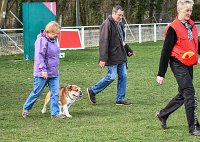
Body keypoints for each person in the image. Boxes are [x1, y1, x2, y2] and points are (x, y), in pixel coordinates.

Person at [156, 0, 200, 136]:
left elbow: (196, 44)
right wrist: (161, 74)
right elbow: (165, 52)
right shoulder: (173, 28)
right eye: (186, 10)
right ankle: (194, 127)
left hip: (189, 64)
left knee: (183, 94)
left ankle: (163, 114)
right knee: (190, 93)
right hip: (177, 63)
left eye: (190, 10)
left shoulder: (191, 25)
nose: (189, 13)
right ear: (179, 10)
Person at [87, 5, 134, 106]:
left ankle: (120, 99)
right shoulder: (107, 24)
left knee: (123, 76)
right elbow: (104, 42)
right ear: (113, 13)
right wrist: (103, 58)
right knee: (111, 76)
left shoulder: (120, 24)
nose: (121, 17)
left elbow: (122, 41)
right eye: (119, 15)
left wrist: (128, 50)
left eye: (122, 15)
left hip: (121, 56)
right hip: (112, 56)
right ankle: (92, 90)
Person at [22, 21, 65, 119]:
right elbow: (39, 56)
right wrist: (43, 70)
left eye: (57, 33)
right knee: (37, 92)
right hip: (42, 73)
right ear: (48, 31)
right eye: (54, 33)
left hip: (54, 72)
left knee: (55, 93)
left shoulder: (53, 40)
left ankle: (55, 113)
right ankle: (26, 108)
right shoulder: (41, 40)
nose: (56, 35)